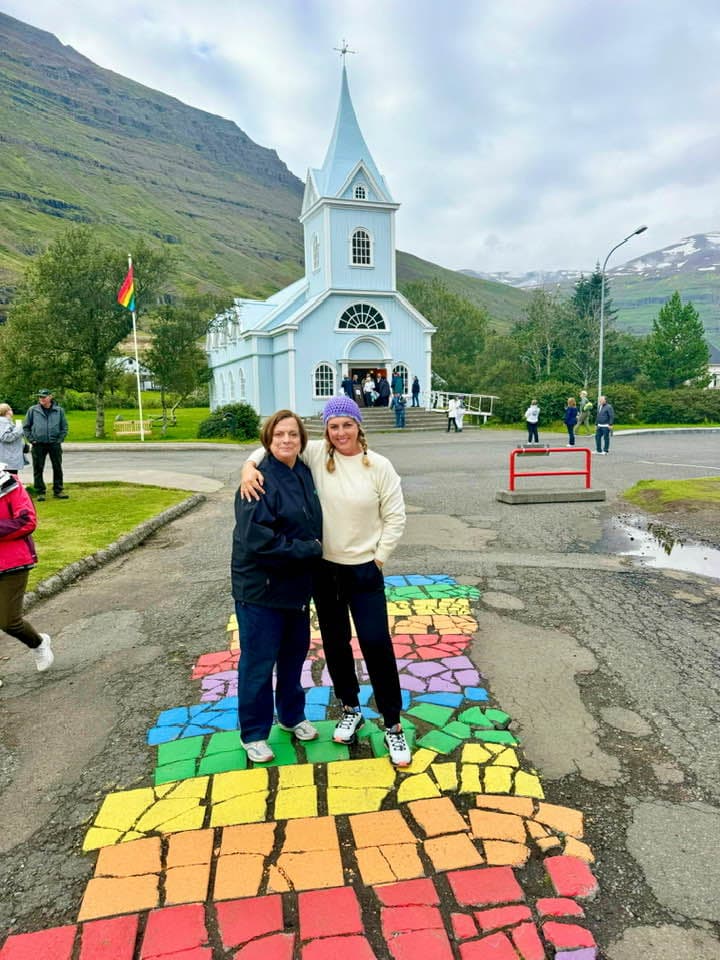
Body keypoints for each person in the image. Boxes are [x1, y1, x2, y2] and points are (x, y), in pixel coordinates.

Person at [240, 395, 411, 767]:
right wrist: (247, 467)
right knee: (335, 644)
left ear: (358, 426)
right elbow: (275, 444)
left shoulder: (379, 466)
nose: (340, 432)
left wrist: (379, 557)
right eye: (334, 426)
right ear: (327, 430)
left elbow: (395, 517)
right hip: (324, 569)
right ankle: (350, 708)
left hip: (365, 568)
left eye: (347, 425)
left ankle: (393, 725)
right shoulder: (318, 454)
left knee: (376, 643)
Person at [231, 410, 323, 763]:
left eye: (293, 435)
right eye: (279, 435)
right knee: (258, 661)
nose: (286, 440)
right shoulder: (256, 481)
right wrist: (310, 549)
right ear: (268, 440)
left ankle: (291, 715)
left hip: (296, 588)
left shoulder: (302, 471)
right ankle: (253, 732)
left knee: (293, 656)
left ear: (301, 440)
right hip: (261, 589)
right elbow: (258, 541)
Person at [0, 464, 54, 675]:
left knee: (8, 622)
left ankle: (39, 643)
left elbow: (27, 521)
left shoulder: (10, 485)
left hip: (12, 563)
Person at [23, 389, 69, 501]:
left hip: (54, 444)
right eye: (40, 397)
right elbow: (26, 427)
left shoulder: (59, 411)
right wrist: (31, 440)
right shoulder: (33, 410)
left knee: (57, 467)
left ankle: (58, 490)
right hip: (38, 444)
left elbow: (64, 427)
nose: (42, 399)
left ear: (50, 397)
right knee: (38, 468)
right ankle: (40, 491)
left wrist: (59, 440)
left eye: (44, 396)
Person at [0, 404, 26, 475]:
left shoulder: (7, 421)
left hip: (8, 457)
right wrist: (19, 429)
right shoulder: (3, 422)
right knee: (9, 480)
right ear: (7, 411)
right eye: (10, 409)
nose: (12, 411)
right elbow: (5, 437)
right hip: (8, 458)